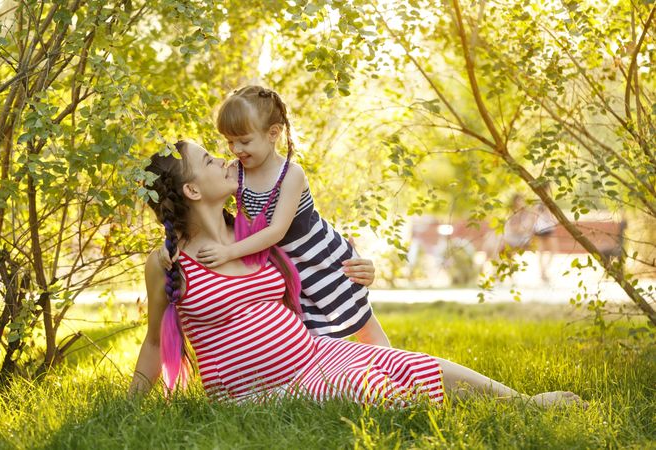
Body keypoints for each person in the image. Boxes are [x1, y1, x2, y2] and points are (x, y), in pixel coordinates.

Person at [131, 140, 585, 409]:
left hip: (313, 356)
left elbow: (318, 256)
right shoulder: (170, 261)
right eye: (210, 160)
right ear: (192, 190)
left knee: (407, 363)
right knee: (380, 392)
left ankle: (525, 404)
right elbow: (154, 342)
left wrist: (358, 268)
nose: (225, 160)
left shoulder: (257, 231)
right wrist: (131, 407)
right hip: (262, 393)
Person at [160, 86, 390, 347]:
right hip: (286, 263)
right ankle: (330, 375)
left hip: (317, 255)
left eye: (244, 141)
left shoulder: (291, 174)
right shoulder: (236, 172)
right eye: (229, 141)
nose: (235, 149)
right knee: (311, 333)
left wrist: (229, 252)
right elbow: (197, 210)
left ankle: (392, 368)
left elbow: (276, 231)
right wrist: (170, 245)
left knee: (358, 318)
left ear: (273, 133)